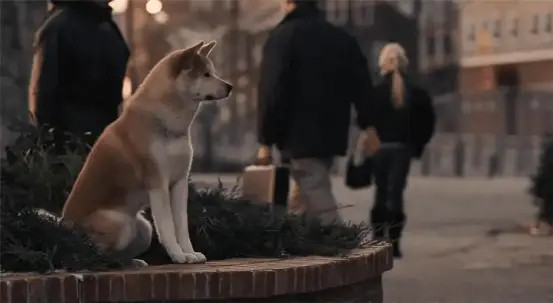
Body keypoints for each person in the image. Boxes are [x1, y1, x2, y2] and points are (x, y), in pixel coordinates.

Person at [255, 0, 380, 224]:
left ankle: (342, 244)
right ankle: (307, 247)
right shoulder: (341, 38)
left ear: (287, 3)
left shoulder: (283, 37)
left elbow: (272, 90)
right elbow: (361, 84)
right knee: (303, 197)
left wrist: (266, 140)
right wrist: (368, 124)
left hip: (297, 134)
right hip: (332, 132)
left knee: (314, 189)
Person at [28, 0, 129, 151]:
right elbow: (44, 95)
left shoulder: (106, 26)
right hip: (69, 147)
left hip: (100, 142)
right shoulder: (60, 26)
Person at [370, 43, 436, 258]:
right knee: (396, 193)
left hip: (380, 149)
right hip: (402, 149)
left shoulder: (376, 92)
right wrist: (416, 145)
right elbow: (428, 122)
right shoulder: (417, 94)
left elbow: (363, 119)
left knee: (380, 192)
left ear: (383, 64)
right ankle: (395, 241)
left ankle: (378, 237)